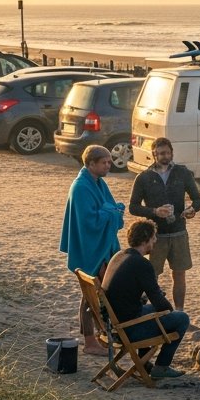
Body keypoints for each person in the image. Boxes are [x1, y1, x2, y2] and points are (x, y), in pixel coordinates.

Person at [101, 220, 192, 379]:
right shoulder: (142, 264)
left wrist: (149, 298)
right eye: (154, 237)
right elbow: (160, 303)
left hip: (112, 324)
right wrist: (170, 313)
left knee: (151, 309)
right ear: (146, 239)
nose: (156, 241)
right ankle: (161, 367)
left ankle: (143, 362)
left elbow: (126, 291)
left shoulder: (120, 255)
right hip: (127, 329)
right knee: (182, 318)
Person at [59, 145, 125, 352]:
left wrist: (110, 210)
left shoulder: (98, 183)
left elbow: (112, 207)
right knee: (90, 296)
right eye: (104, 162)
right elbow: (89, 221)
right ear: (91, 164)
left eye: (109, 161)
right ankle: (89, 342)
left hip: (100, 246)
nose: (109, 165)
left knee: (97, 294)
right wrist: (111, 212)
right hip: (89, 249)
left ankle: (96, 335)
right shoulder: (81, 187)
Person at [128, 137, 200, 310]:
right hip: (155, 236)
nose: (165, 156)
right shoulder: (144, 178)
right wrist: (154, 211)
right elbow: (133, 207)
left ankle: (179, 311)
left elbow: (197, 199)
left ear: (172, 153)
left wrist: (192, 210)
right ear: (154, 154)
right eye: (161, 153)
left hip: (179, 232)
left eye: (168, 153)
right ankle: (146, 311)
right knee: (151, 276)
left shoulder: (182, 173)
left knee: (179, 274)